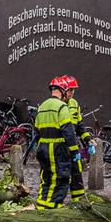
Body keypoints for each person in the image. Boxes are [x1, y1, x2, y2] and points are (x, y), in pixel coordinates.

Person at [34, 77, 82, 210]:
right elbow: (69, 132)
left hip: (42, 147)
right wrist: (74, 152)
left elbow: (37, 131)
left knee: (46, 179)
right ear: (63, 91)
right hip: (58, 149)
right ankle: (52, 210)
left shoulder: (42, 106)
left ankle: (41, 208)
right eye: (68, 91)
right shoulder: (62, 107)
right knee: (60, 179)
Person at [62, 75, 94, 200]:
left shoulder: (74, 104)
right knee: (61, 175)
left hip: (73, 145)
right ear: (63, 89)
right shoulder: (57, 104)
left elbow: (80, 125)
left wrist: (87, 140)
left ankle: (78, 201)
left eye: (74, 90)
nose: (72, 93)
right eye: (70, 90)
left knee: (76, 172)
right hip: (61, 145)